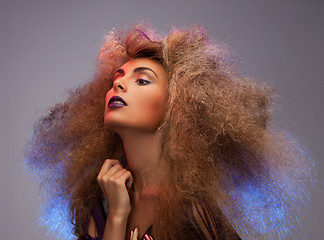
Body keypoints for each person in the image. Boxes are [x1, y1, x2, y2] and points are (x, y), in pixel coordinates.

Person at [25, 23, 316, 240]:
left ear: (176, 106)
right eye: (118, 78)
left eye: (142, 81)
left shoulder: (196, 214)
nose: (119, 85)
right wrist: (116, 216)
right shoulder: (96, 201)